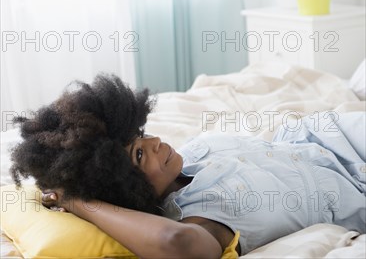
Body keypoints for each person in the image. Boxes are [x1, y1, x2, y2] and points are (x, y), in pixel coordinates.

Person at [11, 74, 366, 259]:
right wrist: (78, 202)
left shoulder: (188, 154)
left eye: (141, 134)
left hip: (328, 134)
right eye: (139, 155)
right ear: (123, 186)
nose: (154, 143)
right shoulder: (200, 219)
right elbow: (175, 243)